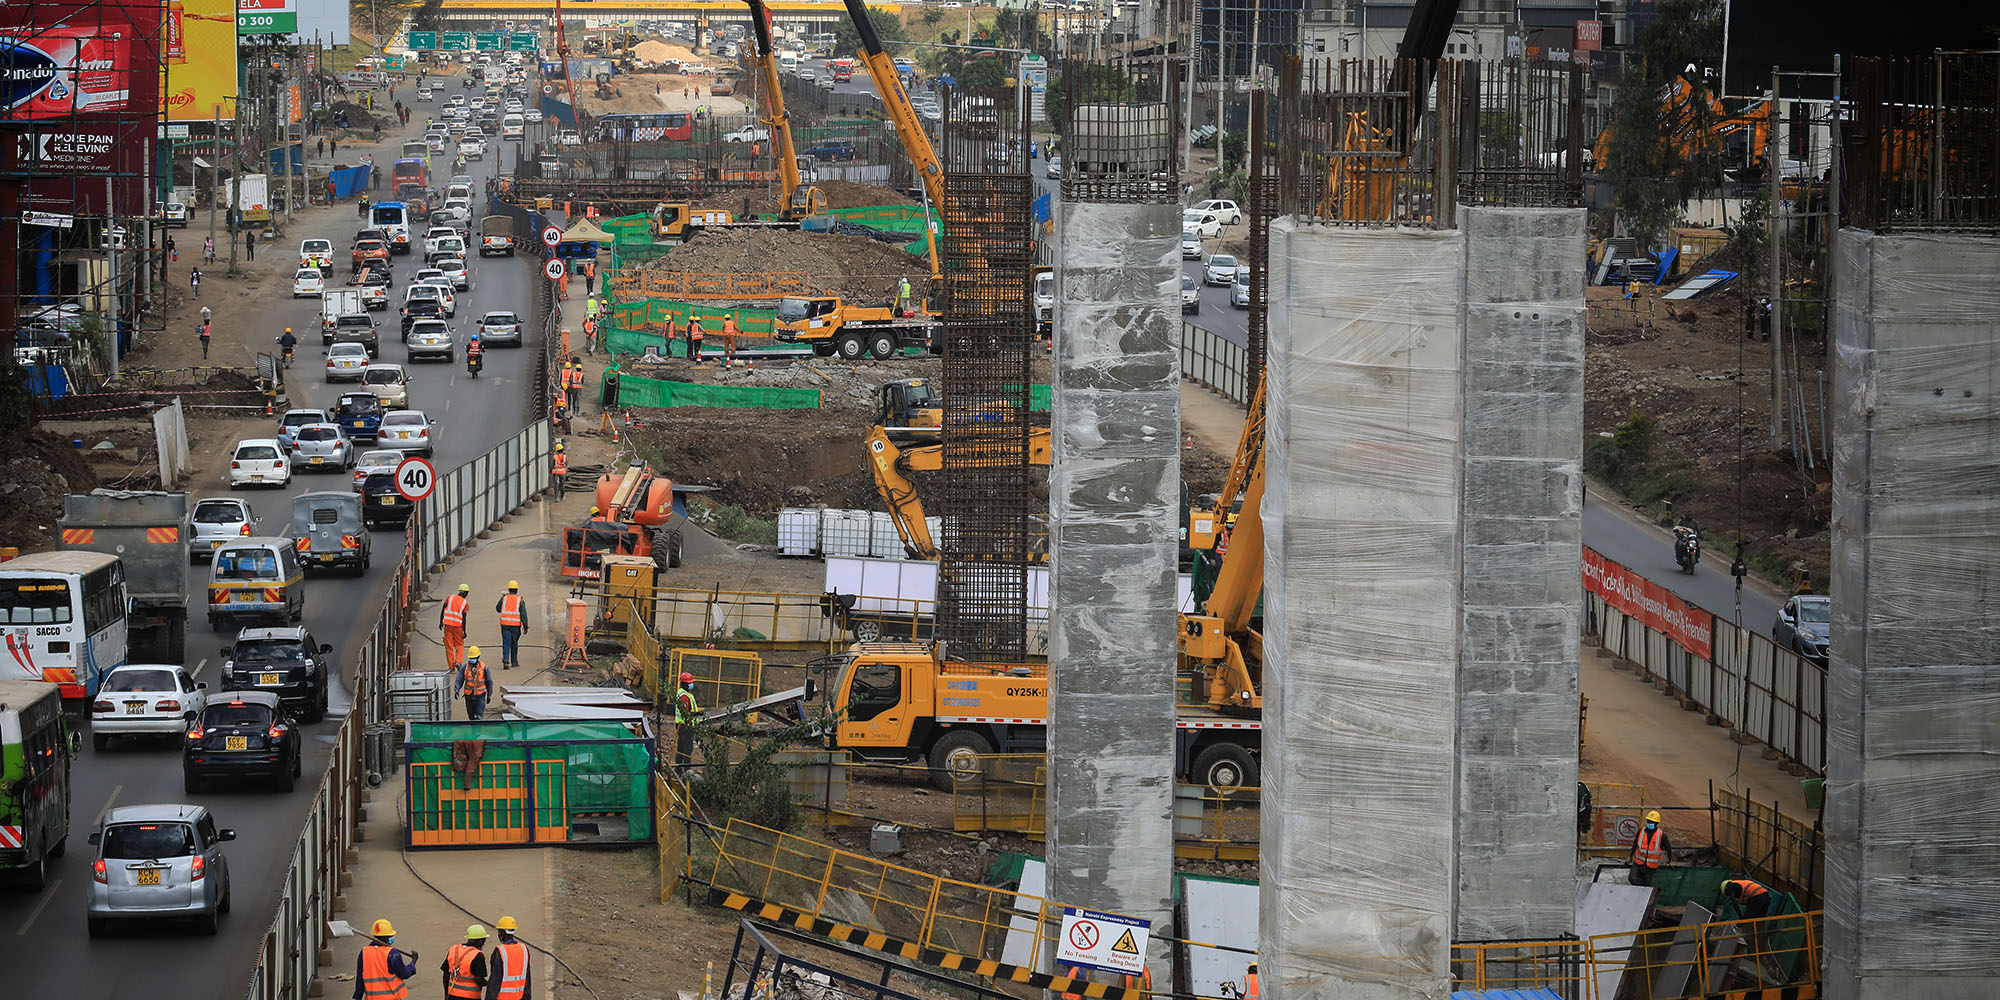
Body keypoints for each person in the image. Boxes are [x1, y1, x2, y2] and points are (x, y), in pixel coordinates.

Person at [353, 918, 418, 1000]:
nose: (392, 937)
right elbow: (404, 974)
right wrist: (413, 963)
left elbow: (360, 980)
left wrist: (357, 997)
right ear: (385, 938)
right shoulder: (393, 954)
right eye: (390, 936)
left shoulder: (364, 953)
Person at [442, 925, 490, 1000]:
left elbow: (445, 975)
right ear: (480, 941)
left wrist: (446, 995)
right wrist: (489, 983)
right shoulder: (477, 955)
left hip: (452, 995)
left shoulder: (454, 950)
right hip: (470, 997)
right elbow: (479, 980)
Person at [488, 916, 530, 1000]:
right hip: (519, 997)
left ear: (502, 933)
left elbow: (494, 981)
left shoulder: (500, 952)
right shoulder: (524, 949)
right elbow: (527, 979)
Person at [1629, 810, 1670, 887]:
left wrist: (1669, 861)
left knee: (1646, 883)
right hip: (1638, 862)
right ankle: (1639, 888)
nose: (1649, 823)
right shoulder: (1641, 832)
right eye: (1648, 821)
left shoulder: (1661, 835)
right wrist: (1630, 857)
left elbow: (1668, 849)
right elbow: (1635, 845)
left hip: (1651, 866)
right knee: (1632, 878)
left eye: (1651, 822)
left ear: (1656, 823)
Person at [495, 581, 528, 670]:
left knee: (506, 643)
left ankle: (506, 660)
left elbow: (497, 609)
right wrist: (525, 626)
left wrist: (502, 598)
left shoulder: (504, 598)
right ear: (517, 590)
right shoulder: (520, 600)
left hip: (505, 625)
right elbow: (523, 614)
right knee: (514, 643)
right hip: (515, 626)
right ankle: (514, 661)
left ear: (509, 590)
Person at [442, 582, 471, 672]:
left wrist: (440, 622)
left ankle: (451, 667)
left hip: (447, 625)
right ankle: (458, 661)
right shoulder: (465, 603)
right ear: (466, 593)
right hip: (458, 626)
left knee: (449, 646)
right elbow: (464, 618)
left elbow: (443, 609)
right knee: (459, 645)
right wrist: (464, 631)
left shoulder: (450, 598)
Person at [456, 646, 492, 720]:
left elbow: (489, 681)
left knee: (478, 716)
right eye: (471, 658)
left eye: (474, 658)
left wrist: (489, 695)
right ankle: (474, 729)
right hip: (468, 695)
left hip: (480, 696)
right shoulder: (465, 668)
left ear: (478, 657)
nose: (472, 659)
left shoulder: (484, 667)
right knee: (471, 717)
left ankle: (478, 730)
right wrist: (457, 690)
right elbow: (459, 679)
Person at [674, 671, 700, 766]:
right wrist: (697, 714)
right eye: (690, 683)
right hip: (685, 725)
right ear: (684, 684)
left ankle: (679, 768)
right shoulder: (684, 696)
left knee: (681, 747)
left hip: (682, 724)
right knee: (687, 748)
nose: (692, 684)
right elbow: (685, 713)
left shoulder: (684, 693)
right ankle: (686, 769)